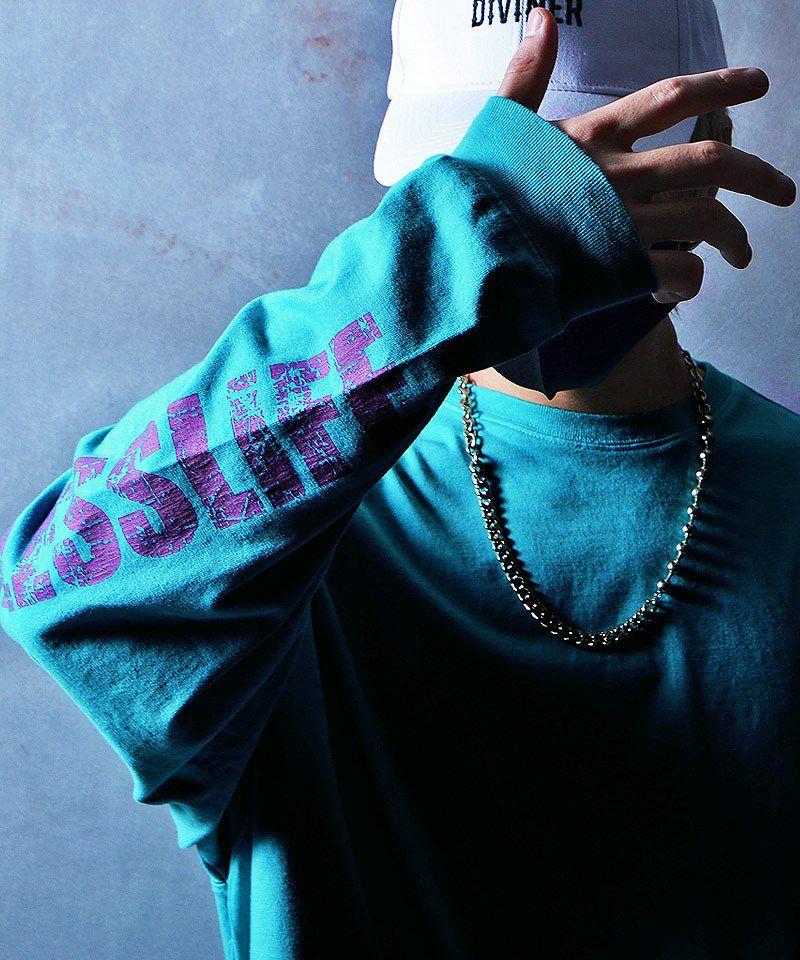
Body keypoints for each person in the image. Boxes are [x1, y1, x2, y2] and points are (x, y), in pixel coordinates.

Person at [1, 1, 798, 957]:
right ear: (418, 195)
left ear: (711, 149)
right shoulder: (279, 532)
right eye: (495, 179)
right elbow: (62, 583)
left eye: (613, 164)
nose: (564, 228)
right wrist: (474, 238)